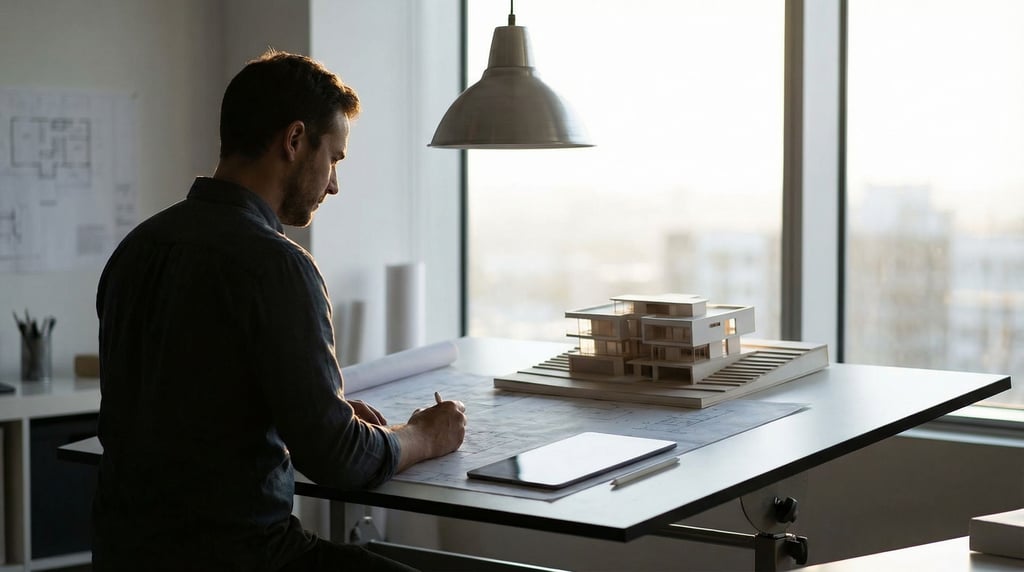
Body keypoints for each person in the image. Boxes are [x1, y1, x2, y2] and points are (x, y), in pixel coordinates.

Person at [93, 49, 466, 571]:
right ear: (294, 140)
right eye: (334, 157)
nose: (334, 183)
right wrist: (424, 436)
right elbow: (338, 460)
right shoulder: (278, 267)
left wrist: (313, 413)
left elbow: (191, 412)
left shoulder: (136, 249)